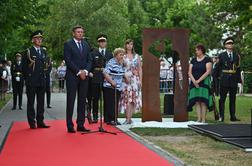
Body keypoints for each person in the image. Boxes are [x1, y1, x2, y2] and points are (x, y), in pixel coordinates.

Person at [64, 25, 92, 133]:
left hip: (84, 77)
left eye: (82, 32)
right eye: (78, 32)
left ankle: (80, 124)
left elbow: (90, 60)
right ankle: (69, 125)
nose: (80, 33)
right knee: (71, 100)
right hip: (72, 76)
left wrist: (85, 71)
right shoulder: (68, 44)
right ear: (73, 33)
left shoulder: (86, 44)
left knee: (82, 100)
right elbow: (68, 60)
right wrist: (78, 72)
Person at [22, 30, 50, 129]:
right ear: (33, 40)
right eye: (37, 38)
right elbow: (24, 68)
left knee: (41, 102)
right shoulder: (28, 52)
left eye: (40, 38)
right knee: (31, 102)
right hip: (32, 80)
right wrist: (28, 79)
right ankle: (32, 122)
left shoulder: (43, 51)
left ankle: (40, 121)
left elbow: (47, 65)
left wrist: (45, 75)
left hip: (42, 80)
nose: (39, 40)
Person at [87, 34, 113, 123]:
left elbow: (112, 65)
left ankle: (107, 118)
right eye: (100, 41)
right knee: (96, 98)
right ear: (98, 42)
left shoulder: (110, 53)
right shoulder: (93, 53)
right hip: (96, 76)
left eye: (104, 41)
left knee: (107, 98)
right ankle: (95, 116)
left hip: (107, 77)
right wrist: (89, 72)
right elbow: (90, 63)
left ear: (106, 42)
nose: (102, 43)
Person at [216, 37, 242, 121]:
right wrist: (215, 78)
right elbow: (217, 67)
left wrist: (239, 80)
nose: (230, 45)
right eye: (228, 43)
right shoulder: (221, 55)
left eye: (231, 43)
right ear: (225, 46)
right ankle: (221, 116)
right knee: (222, 99)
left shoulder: (236, 55)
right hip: (224, 79)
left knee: (233, 99)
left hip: (233, 80)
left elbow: (238, 69)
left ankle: (233, 116)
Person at [119, 39, 142, 125]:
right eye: (128, 44)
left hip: (135, 80)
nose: (129, 46)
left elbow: (140, 69)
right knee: (127, 99)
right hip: (126, 79)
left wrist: (140, 80)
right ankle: (127, 118)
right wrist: (124, 76)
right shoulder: (122, 56)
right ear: (125, 45)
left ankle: (130, 118)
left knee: (133, 99)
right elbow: (120, 68)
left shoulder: (136, 56)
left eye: (131, 44)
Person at [188, 44, 213, 123]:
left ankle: (203, 119)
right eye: (195, 50)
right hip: (194, 82)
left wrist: (198, 81)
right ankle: (198, 119)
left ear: (201, 50)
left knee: (203, 101)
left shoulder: (207, 59)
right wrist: (194, 81)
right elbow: (189, 72)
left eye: (197, 50)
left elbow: (208, 71)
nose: (196, 52)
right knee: (197, 101)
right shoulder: (193, 60)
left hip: (203, 82)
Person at [103, 48, 127, 125]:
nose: (122, 56)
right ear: (116, 55)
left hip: (118, 86)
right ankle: (111, 119)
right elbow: (105, 73)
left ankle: (114, 119)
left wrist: (125, 78)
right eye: (120, 55)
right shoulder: (111, 62)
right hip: (110, 86)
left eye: (123, 55)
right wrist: (111, 81)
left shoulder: (122, 63)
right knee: (111, 103)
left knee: (116, 103)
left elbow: (122, 73)